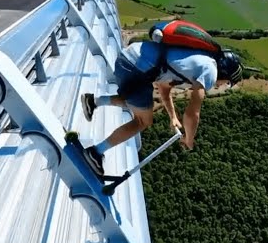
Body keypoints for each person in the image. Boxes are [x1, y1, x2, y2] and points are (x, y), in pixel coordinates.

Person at [80, 28, 243, 177]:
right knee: (143, 121)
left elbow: (164, 90)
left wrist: (173, 117)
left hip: (130, 58)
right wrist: (189, 140)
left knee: (137, 103)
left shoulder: (195, 60)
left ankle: (93, 101)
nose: (222, 85)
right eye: (227, 82)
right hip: (135, 69)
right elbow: (193, 114)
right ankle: (95, 153)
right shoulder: (210, 71)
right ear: (225, 73)